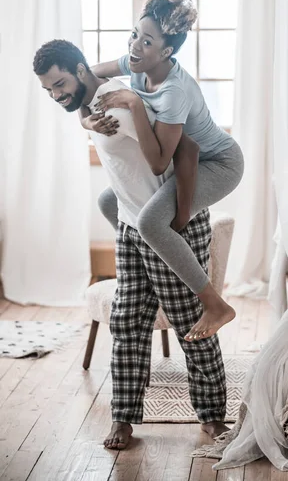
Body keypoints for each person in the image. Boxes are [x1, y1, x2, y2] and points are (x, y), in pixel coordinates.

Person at [33, 40, 229, 449]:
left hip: (165, 224)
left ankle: (212, 415)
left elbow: (184, 152)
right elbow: (88, 111)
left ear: (83, 71)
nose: (56, 95)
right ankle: (123, 418)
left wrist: (180, 219)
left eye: (60, 84)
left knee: (189, 321)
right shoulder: (90, 102)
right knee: (126, 321)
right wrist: (84, 121)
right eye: (49, 89)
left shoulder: (116, 106)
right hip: (130, 223)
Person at [89, 0, 245, 342]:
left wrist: (134, 103)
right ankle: (154, 264)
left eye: (146, 42)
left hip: (218, 164)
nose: (134, 47)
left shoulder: (174, 91)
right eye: (134, 35)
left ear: (167, 52)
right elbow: (89, 78)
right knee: (108, 201)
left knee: (149, 222)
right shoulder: (136, 63)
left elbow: (159, 162)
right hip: (186, 161)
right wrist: (86, 114)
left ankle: (216, 305)